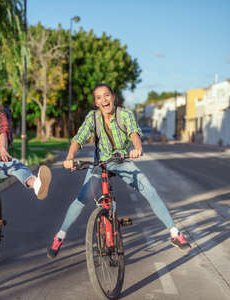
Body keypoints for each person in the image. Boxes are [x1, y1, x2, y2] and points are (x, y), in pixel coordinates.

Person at [47, 83, 190, 259]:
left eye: (107, 95)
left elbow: (134, 134)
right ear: (96, 103)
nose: (104, 100)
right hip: (100, 163)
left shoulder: (124, 114)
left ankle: (174, 233)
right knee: (82, 197)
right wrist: (69, 157)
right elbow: (79, 138)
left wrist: (137, 148)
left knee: (149, 190)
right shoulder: (92, 117)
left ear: (113, 97)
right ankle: (60, 236)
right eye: (99, 98)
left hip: (122, 162)